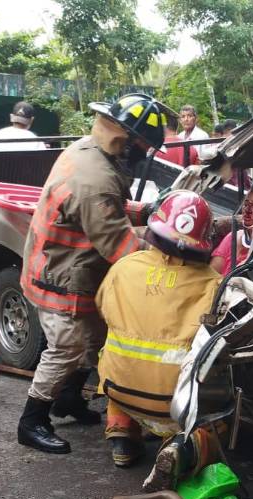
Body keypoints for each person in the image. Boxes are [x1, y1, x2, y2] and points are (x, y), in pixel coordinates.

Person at [16, 93, 168, 455]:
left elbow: (105, 208)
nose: (144, 154)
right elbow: (119, 244)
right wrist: (172, 254)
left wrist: (146, 212)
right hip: (62, 274)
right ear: (126, 138)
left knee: (96, 335)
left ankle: (68, 399)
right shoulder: (95, 178)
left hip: (68, 265)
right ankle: (32, 419)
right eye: (143, 146)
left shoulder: (90, 150)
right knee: (67, 347)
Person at [95, 190, 223, 469]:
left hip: (118, 389)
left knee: (115, 358)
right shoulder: (214, 283)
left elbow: (102, 309)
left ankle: (122, 437)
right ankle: (183, 451)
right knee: (223, 414)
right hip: (173, 404)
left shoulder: (123, 267)